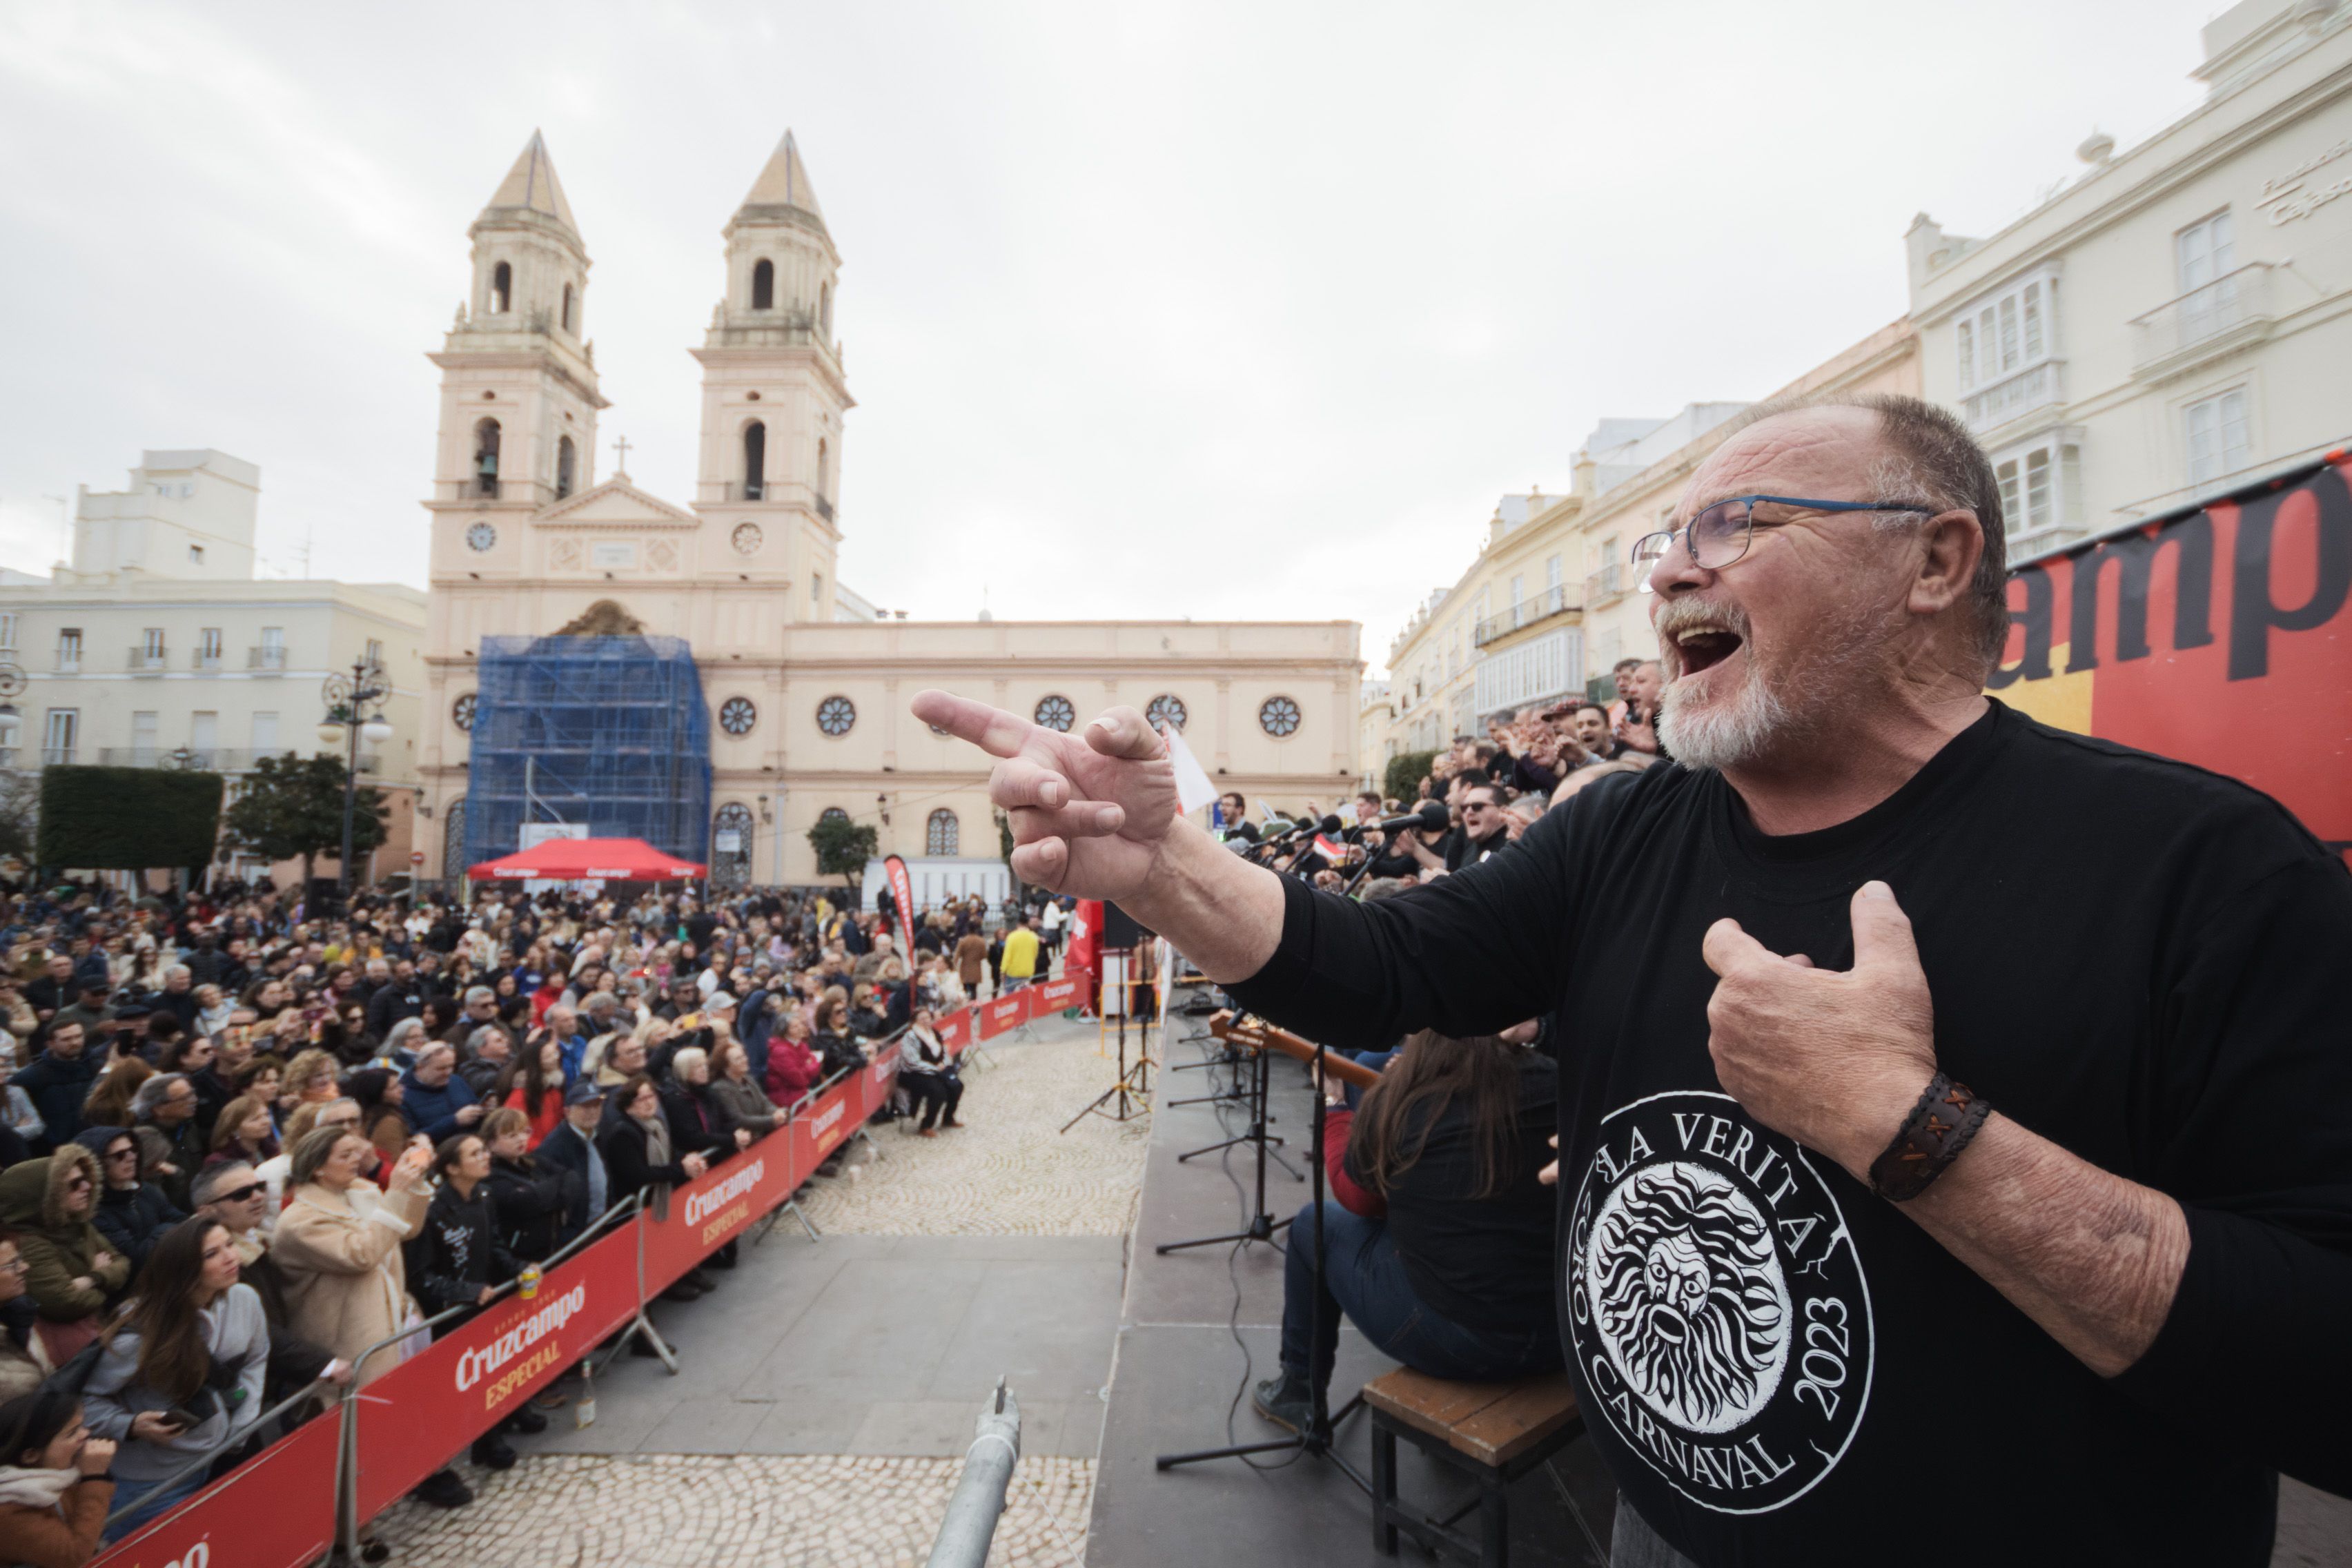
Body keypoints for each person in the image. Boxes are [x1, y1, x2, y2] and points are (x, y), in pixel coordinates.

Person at [914, 393, 2352, 1567]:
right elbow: (1389, 966)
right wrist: (1159, 866)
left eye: (1741, 523)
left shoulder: (2199, 869)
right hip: (1657, 1527)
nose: (1669, 567)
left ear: (1935, 560)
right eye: (1668, 535)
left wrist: (1914, 1129)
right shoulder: (1623, 826)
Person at [1253, 1031, 1561, 1432]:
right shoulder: (1554, 1078)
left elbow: (1359, 1200)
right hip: (1563, 1328)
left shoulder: (1405, 1103)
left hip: (1468, 1343)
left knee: (1315, 1226)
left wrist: (1336, 1104)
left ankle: (1298, 1389)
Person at [84, 1218, 268, 1540]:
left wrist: (243, 1425)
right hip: (153, 1485)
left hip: (221, 1460)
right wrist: (131, 1424)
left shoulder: (245, 1299)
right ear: (184, 1270)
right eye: (212, 1254)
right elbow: (83, 1403)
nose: (231, 1256)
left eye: (229, 1244)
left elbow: (256, 1359)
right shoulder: (139, 1334)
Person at [404, 1133, 543, 1471]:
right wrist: (464, 1291)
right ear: (452, 1168)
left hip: (485, 1298)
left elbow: (494, 1244)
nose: (485, 1157)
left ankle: (508, 1412)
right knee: (469, 1377)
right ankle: (485, 1440)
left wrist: (519, 1267)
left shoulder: (483, 1194)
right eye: (475, 1153)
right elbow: (420, 1276)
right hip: (450, 1311)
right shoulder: (432, 1210)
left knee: (497, 1363)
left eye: (484, 1150)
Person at [189, 1163, 340, 1402]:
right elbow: (259, 1329)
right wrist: (323, 1364)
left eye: (259, 1187)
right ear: (207, 1211)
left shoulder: (261, 1241)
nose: (258, 1196)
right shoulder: (211, 1264)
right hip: (243, 1390)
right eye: (242, 1194)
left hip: (275, 1377)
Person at [0, 1146, 126, 1354]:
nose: (86, 1186)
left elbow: (123, 1262)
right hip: (68, 1350)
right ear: (44, 1196)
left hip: (95, 1329)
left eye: (86, 1179)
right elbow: (65, 1303)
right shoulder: (29, 1244)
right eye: (74, 1184)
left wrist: (91, 1279)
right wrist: (105, 1280)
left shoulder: (77, 1224)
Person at [0, 1389, 117, 1568]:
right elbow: (74, 1556)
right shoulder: (8, 1509)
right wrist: (94, 1477)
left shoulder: (61, 1475)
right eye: (72, 1433)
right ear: (31, 1456)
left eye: (82, 1426)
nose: (85, 1434)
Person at [76, 1128, 184, 1275]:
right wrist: (164, 1229)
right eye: (120, 1155)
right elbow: (136, 1259)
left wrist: (160, 1233)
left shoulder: (144, 1189)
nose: (131, 1157)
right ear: (97, 1163)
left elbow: (182, 1221)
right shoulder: (94, 1212)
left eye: (133, 1149)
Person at [479, 1109, 575, 1265]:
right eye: (511, 1136)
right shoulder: (490, 1175)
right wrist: (555, 1188)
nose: (521, 1139)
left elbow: (572, 1178)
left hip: (552, 1249)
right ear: (490, 1143)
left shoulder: (534, 1161)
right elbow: (527, 1202)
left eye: (524, 1132)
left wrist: (544, 1195)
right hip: (519, 1260)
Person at [531, 1082, 609, 1248]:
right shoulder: (553, 1148)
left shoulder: (596, 1135)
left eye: (597, 1105)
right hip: (578, 1237)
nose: (593, 1111)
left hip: (601, 1225)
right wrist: (568, 1235)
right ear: (567, 1112)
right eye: (585, 1107)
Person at [14, 1023, 96, 1154]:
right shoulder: (32, 1076)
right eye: (66, 1039)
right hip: (51, 1149)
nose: (75, 1043)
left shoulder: (96, 1067)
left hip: (92, 1141)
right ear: (50, 1044)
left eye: (78, 1036)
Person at [896, 1007, 963, 1137]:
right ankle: (926, 1125)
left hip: (935, 1069)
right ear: (915, 1021)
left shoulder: (934, 1032)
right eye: (922, 1019)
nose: (926, 1021)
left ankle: (948, 1118)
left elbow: (944, 1051)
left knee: (957, 1086)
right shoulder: (910, 1036)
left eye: (928, 1018)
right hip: (914, 1074)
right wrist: (935, 1068)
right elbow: (912, 1062)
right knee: (938, 1091)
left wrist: (945, 1063)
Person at [703, 1041, 780, 1149]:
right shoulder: (721, 1088)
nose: (745, 1060)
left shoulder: (748, 1079)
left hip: (761, 1138)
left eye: (744, 1056)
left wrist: (776, 1112)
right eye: (738, 1059)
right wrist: (772, 1120)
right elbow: (739, 1119)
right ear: (725, 1066)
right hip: (744, 1145)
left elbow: (764, 1102)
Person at [497, 1031, 567, 1148]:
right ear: (536, 1062)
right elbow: (511, 1129)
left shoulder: (554, 1089)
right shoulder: (521, 1094)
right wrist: (541, 1150)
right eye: (548, 1056)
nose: (555, 1059)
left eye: (555, 1054)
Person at [998, 915, 1040, 992]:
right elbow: (1035, 954)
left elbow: (1007, 956)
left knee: (1010, 995)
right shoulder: (1034, 937)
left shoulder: (1012, 937)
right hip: (1028, 970)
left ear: (1018, 924)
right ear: (1027, 924)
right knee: (1025, 995)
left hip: (1013, 971)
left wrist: (1003, 971)